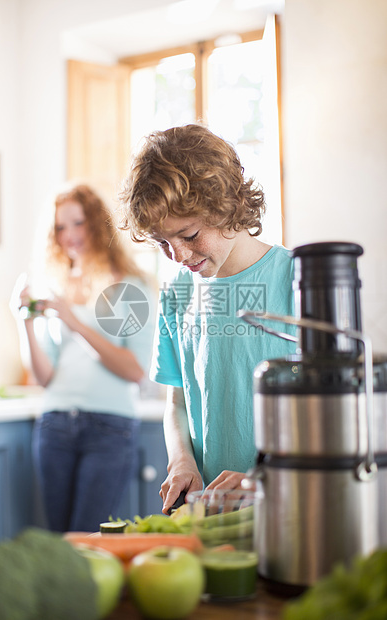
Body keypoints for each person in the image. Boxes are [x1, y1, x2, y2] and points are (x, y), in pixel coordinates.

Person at [120, 123, 296, 514]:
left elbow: (333, 417)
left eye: (190, 234)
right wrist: (182, 459)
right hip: (213, 513)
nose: (179, 255)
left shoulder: (297, 279)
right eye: (164, 243)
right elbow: (177, 402)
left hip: (291, 512)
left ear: (227, 203)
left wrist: (261, 478)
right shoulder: (177, 292)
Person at [15, 183, 156, 532]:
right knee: (60, 543)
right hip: (55, 424)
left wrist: (73, 321)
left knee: (88, 540)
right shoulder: (55, 287)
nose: (69, 236)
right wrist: (25, 325)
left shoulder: (131, 285)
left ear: (97, 223)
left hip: (110, 428)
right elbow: (44, 376)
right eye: (60, 227)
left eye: (78, 223)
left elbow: (136, 370)